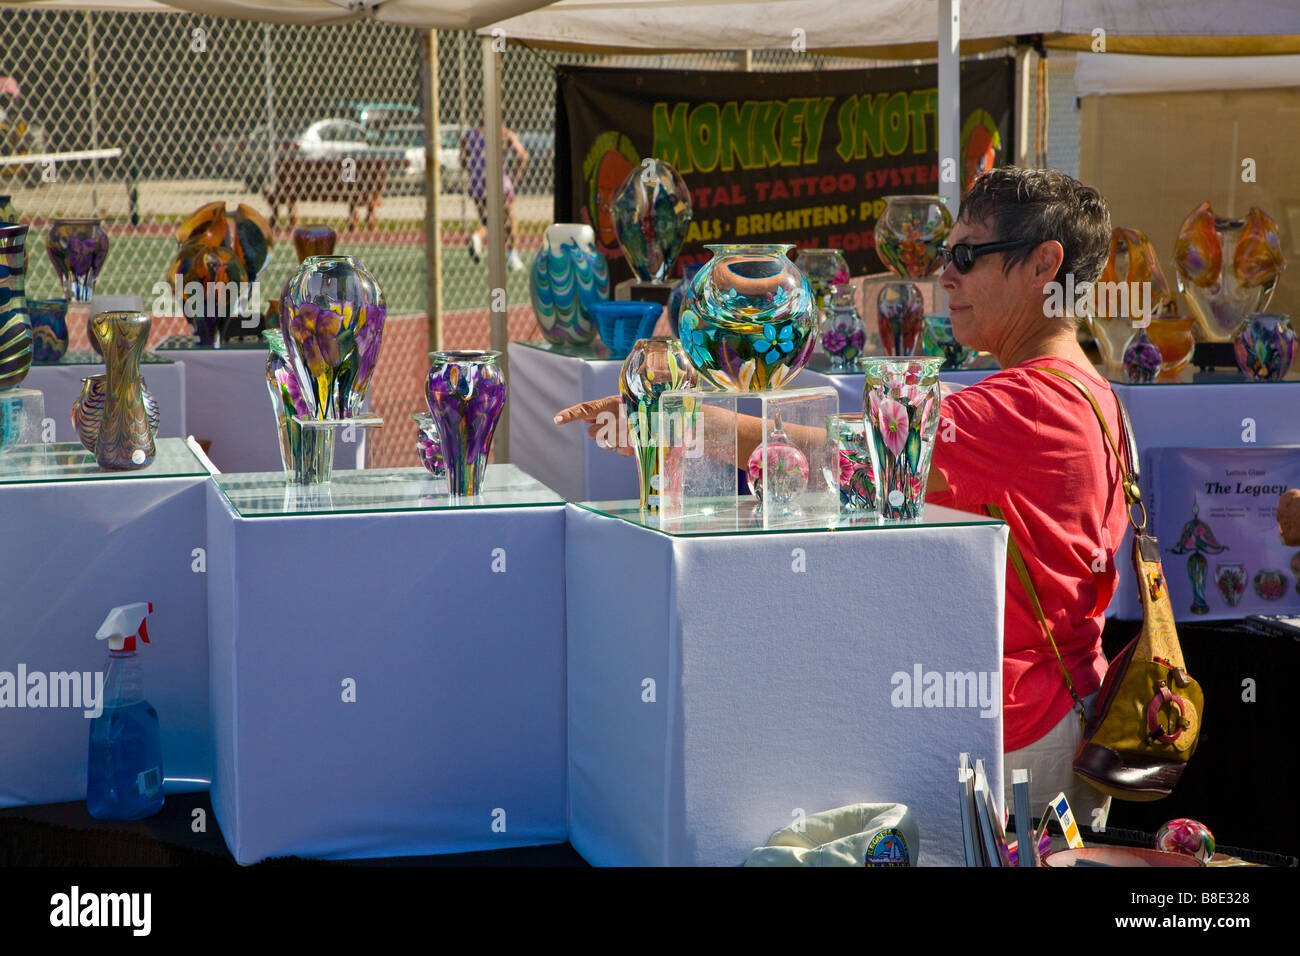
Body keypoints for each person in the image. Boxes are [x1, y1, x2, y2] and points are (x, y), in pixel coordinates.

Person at [553, 167, 1122, 828]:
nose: (946, 277)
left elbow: (851, 453)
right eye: (945, 255)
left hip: (1022, 730)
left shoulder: (1029, 404)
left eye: (967, 255)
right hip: (1061, 709)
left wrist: (684, 421)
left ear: (1044, 266)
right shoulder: (1090, 391)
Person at [460, 121, 528, 271]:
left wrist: (477, 166)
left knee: (489, 221)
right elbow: (522, 156)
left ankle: (478, 236)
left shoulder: (469, 136)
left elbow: (463, 162)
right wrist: (516, 177)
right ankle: (512, 256)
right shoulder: (504, 133)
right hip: (498, 182)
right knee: (509, 219)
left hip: (477, 183)